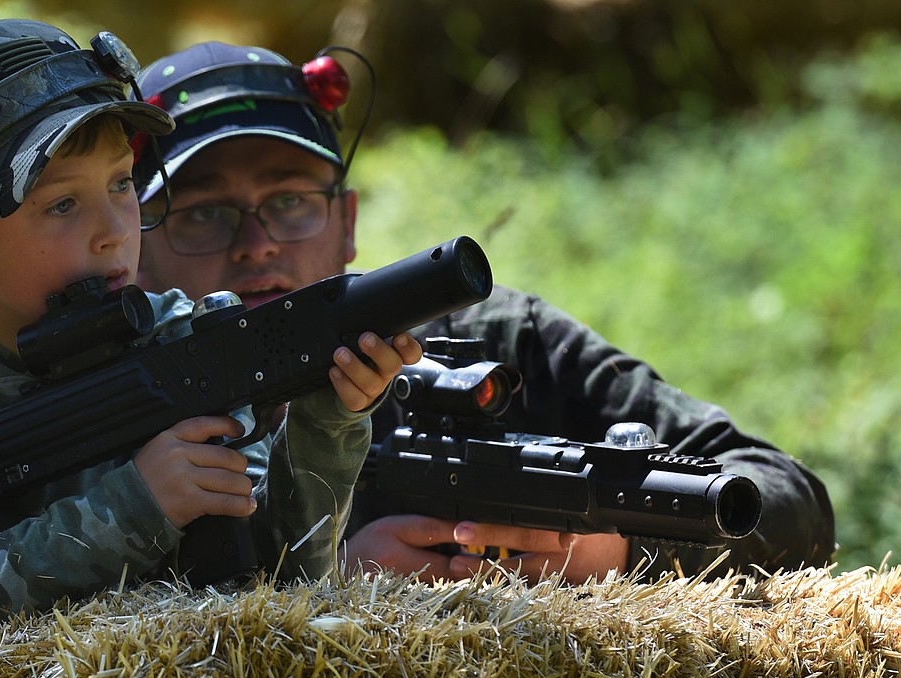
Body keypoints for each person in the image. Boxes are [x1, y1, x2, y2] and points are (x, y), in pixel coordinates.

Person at [0, 20, 420, 678]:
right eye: (63, 204)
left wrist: (326, 422)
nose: (113, 233)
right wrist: (135, 507)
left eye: (123, 185)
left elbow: (283, 587)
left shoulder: (180, 339)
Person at [132, 41, 836, 585]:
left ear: (345, 222)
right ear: (132, 247)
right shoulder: (118, 409)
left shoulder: (496, 341)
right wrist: (328, 579)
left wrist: (617, 549)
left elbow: (790, 501)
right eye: (203, 214)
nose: (255, 246)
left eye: (289, 201)